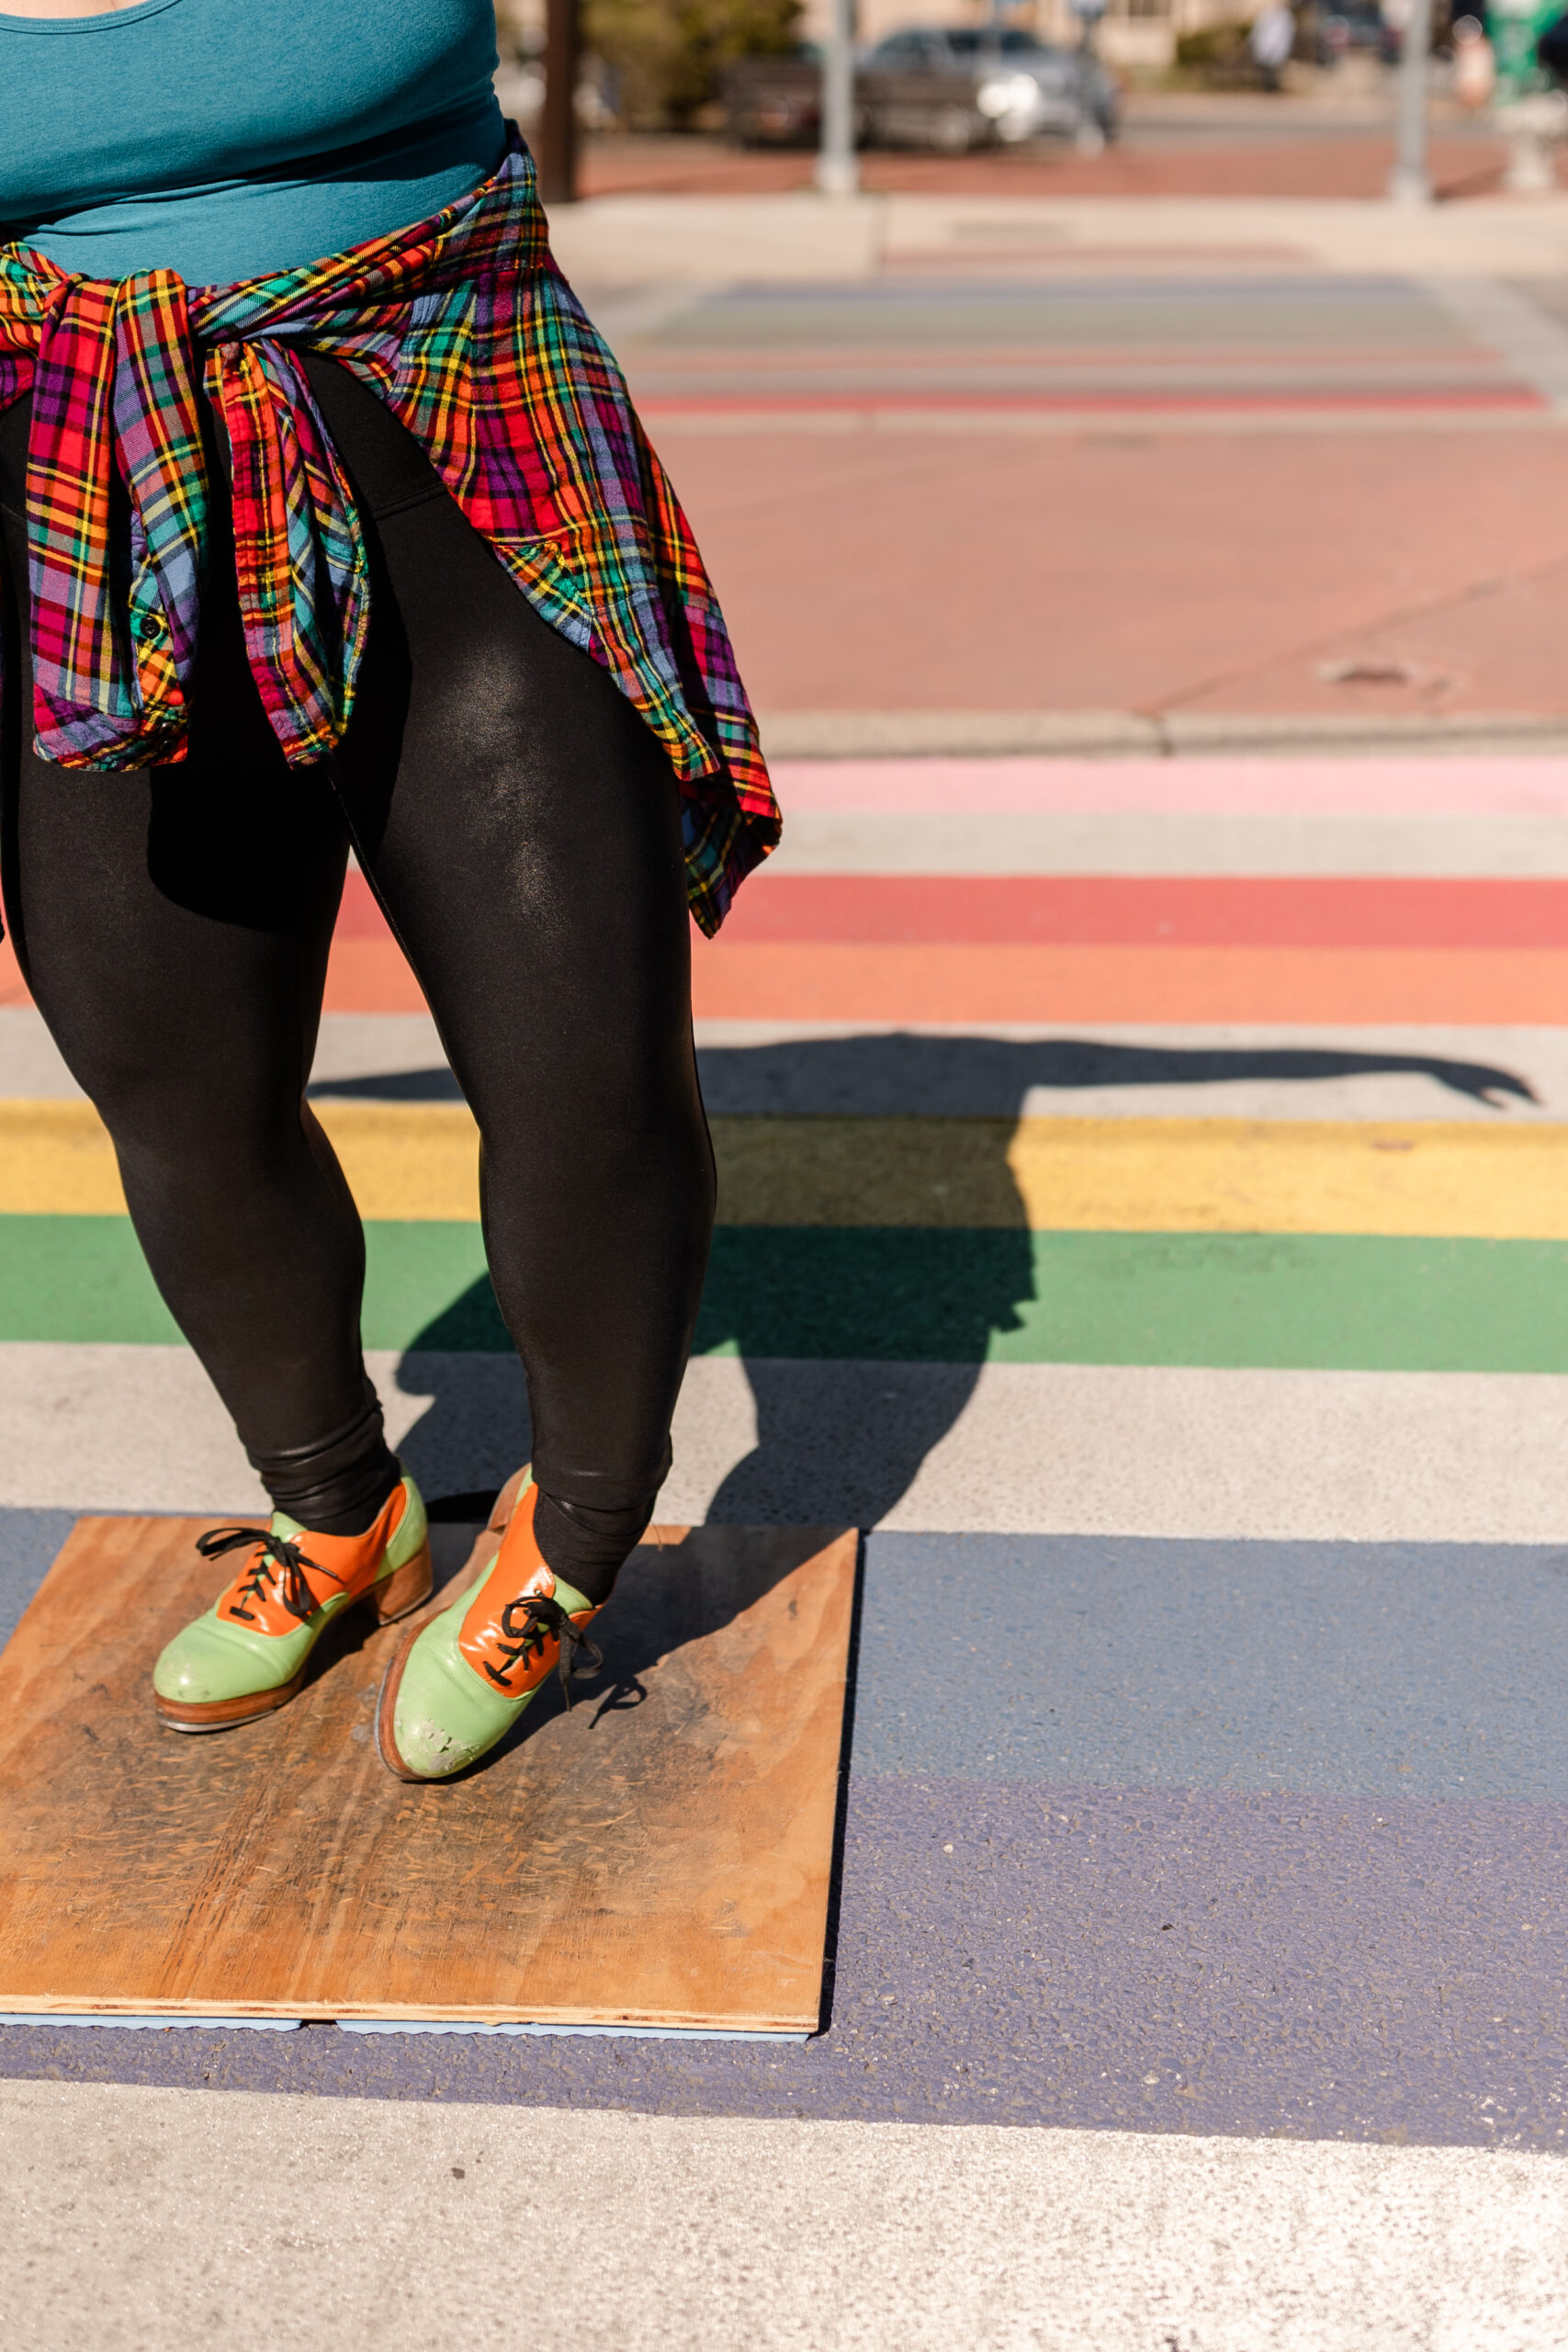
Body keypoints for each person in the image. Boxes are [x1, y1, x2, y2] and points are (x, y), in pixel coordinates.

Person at [0, 0, 778, 1781]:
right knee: (175, 1081)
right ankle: (340, 1512)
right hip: (102, 512)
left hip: (470, 463)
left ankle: (564, 1544)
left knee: (584, 1064)